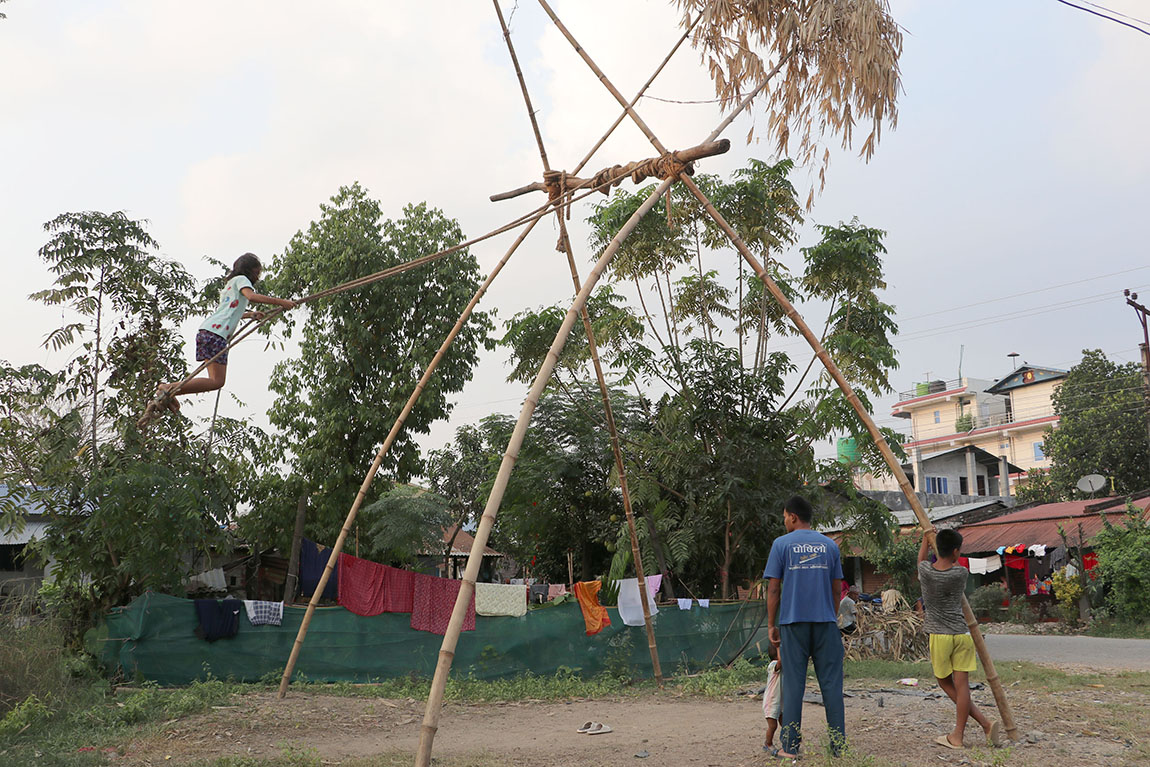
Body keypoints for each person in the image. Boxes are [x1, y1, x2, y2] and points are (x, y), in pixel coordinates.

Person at [157, 253, 295, 410]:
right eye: (257, 273)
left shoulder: (230, 285)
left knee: (214, 380)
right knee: (217, 381)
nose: (257, 277)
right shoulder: (243, 280)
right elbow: (251, 296)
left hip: (207, 331)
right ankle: (169, 387)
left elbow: (227, 311)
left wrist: (250, 314)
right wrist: (281, 302)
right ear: (249, 271)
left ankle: (171, 391)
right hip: (216, 335)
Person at [764, 495, 846, 759]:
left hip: (792, 623)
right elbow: (837, 590)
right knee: (832, 686)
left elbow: (774, 588)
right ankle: (838, 748)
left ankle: (789, 748)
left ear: (793, 517)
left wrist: (771, 625)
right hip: (825, 624)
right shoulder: (830, 546)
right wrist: (830, 618)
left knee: (793, 686)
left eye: (784, 516)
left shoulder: (781, 545)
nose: (784, 520)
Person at [917, 528, 1002, 750]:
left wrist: (926, 539)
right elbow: (946, 563)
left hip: (940, 635)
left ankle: (961, 735)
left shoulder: (926, 572)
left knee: (944, 682)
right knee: (963, 686)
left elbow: (921, 560)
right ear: (956, 551)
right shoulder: (960, 573)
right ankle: (981, 725)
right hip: (962, 635)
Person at [762, 643, 782, 755]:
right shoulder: (773, 665)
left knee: (785, 722)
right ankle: (768, 744)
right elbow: (780, 662)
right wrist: (779, 647)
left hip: (779, 701)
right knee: (773, 725)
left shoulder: (781, 664)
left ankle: (790, 742)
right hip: (771, 701)